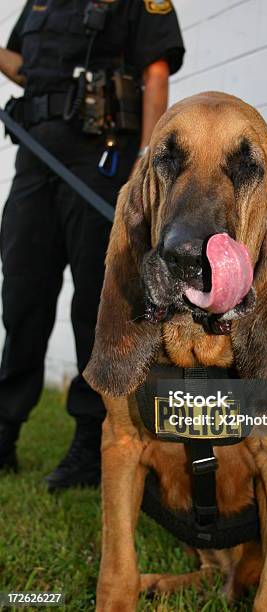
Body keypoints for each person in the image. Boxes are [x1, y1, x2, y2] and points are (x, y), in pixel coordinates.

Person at [0, 0, 184, 490]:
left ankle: (89, 438)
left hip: (99, 161)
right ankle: (5, 430)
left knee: (94, 305)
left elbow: (156, 70)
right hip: (35, 162)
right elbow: (26, 69)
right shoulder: (40, 3)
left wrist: (147, 165)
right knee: (21, 298)